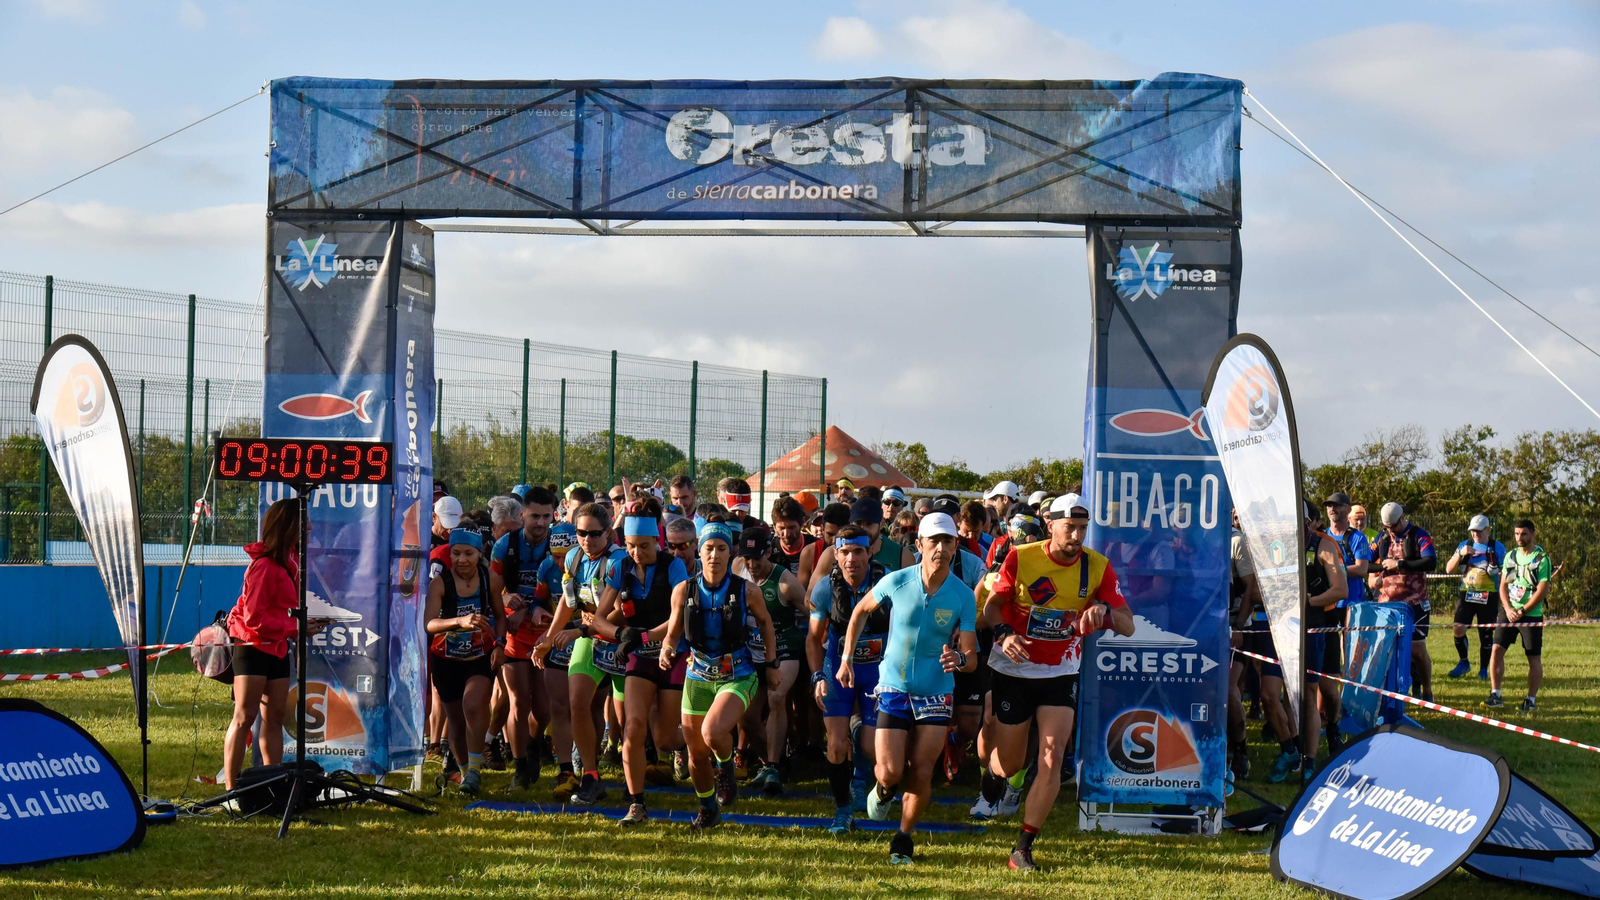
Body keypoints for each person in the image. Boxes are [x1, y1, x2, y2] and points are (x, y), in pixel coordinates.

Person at [979, 492, 1133, 872]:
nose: (1077, 536)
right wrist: (1004, 634)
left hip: (1061, 672)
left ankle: (1023, 847)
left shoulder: (1096, 567)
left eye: (1083, 528)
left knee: (1051, 755)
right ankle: (995, 773)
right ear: (1050, 524)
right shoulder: (1022, 556)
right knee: (1012, 761)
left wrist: (1105, 611)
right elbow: (991, 608)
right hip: (1013, 669)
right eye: (1070, 527)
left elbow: (1128, 625)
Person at [840, 512, 978, 865]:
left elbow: (971, 655)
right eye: (934, 541)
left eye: (948, 541)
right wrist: (846, 659)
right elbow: (859, 612)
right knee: (889, 771)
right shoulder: (897, 581)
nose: (941, 548)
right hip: (894, 687)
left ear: (955, 546)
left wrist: (959, 662)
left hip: (936, 691)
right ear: (919, 545)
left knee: (922, 767)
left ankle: (903, 837)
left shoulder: (963, 595)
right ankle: (884, 790)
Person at [658, 519, 779, 829]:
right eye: (709, 548)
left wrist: (772, 663)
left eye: (721, 549)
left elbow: (766, 624)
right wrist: (667, 649)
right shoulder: (683, 589)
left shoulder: (747, 590)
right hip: (698, 673)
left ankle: (725, 766)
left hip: (738, 672)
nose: (714, 555)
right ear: (700, 551)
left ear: (731, 553)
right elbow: (673, 632)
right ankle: (708, 809)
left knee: (712, 733)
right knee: (695, 752)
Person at [594, 508, 691, 825]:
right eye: (631, 545)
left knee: (664, 739)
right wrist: (621, 634)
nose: (637, 553)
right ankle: (637, 803)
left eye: (644, 546)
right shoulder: (619, 566)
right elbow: (598, 618)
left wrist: (644, 636)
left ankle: (695, 746)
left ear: (657, 540)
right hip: (639, 655)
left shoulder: (673, 566)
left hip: (672, 652)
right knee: (632, 728)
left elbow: (677, 617)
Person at [532, 503, 628, 805]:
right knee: (577, 702)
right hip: (589, 635)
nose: (587, 540)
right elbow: (568, 603)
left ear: (609, 532)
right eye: (581, 533)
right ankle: (590, 776)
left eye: (594, 534)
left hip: (621, 639)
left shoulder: (618, 560)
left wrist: (580, 631)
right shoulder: (573, 558)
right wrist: (548, 639)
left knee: (629, 718)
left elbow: (615, 613)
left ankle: (633, 774)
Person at [223, 497, 322, 790]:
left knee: (275, 717)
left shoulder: (290, 561)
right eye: (304, 525)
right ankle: (231, 789)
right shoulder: (264, 566)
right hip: (252, 648)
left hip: (277, 647)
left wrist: (297, 627)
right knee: (244, 717)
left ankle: (272, 784)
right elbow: (254, 618)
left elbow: (281, 612)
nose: (311, 528)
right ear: (289, 526)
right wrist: (296, 628)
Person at [808, 524, 891, 834]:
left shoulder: (888, 583)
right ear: (836, 555)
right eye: (845, 552)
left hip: (877, 670)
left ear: (870, 552)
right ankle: (843, 810)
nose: (852, 558)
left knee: (872, 747)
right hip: (837, 669)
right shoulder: (824, 588)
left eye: (859, 551)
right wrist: (818, 677)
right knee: (836, 746)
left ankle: (861, 771)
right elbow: (813, 639)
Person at [489, 486, 561, 789]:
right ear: (522, 514)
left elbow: (567, 591)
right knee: (518, 701)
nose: (540, 523)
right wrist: (508, 606)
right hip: (515, 633)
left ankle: (532, 745)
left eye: (546, 517)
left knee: (544, 708)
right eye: (534, 516)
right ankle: (519, 768)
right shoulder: (504, 546)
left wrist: (533, 606)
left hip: (547, 632)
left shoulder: (560, 546)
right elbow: (494, 593)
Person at [425, 528, 506, 795]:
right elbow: (429, 624)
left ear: (479, 553)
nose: (461, 559)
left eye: (468, 553)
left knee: (474, 704)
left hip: (479, 655)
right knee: (456, 721)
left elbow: (500, 614)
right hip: (445, 659)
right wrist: (458, 621)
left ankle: (474, 770)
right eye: (456, 553)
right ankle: (462, 772)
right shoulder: (440, 583)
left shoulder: (489, 579)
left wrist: (500, 643)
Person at [730, 525, 808, 796]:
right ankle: (770, 762)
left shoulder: (785, 581)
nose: (752, 565)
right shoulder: (737, 567)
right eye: (747, 558)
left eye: (758, 559)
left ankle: (773, 765)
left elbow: (812, 611)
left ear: (769, 554)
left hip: (785, 648)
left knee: (776, 698)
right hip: (751, 652)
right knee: (747, 717)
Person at [1295, 500, 1348, 774]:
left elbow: (1341, 589)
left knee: (1324, 690)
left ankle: (1333, 732)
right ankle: (1299, 753)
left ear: (1309, 522)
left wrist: (1309, 601)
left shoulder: (1324, 544)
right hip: (1290, 625)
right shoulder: (1279, 544)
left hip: (1322, 622)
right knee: (1294, 693)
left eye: (1299, 522)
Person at [1369, 502, 1438, 701]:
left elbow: (1430, 561)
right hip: (1387, 603)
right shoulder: (1382, 538)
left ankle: (1427, 692)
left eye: (1393, 526)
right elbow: (1366, 560)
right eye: (1386, 527)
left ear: (1402, 518)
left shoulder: (1419, 535)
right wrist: (1371, 575)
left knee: (1417, 650)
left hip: (1415, 604)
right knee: (1386, 650)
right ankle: (1390, 695)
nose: (1390, 530)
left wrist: (1400, 564)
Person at [1488, 519, 1551, 712]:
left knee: (1533, 657)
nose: (1519, 538)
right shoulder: (1510, 556)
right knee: (1497, 649)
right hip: (1509, 612)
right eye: (1516, 534)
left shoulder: (1541, 559)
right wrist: (1507, 608)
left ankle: (1530, 700)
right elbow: (1503, 585)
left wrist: (1523, 611)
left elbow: (1542, 590)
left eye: (1523, 534)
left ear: (1532, 534)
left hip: (1530, 615)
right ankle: (1495, 694)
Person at [806, 498, 914, 595]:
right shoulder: (832, 554)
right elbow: (810, 599)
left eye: (869, 524)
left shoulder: (903, 556)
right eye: (858, 523)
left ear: (881, 523)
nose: (863, 529)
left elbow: (911, 599)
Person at [1446, 514, 1506, 681]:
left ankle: (1484, 669)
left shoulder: (1498, 547)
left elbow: (1506, 572)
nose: (1475, 534)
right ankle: (1464, 662)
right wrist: (1460, 554)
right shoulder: (1465, 545)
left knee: (1486, 633)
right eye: (1473, 531)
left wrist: (1495, 569)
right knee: (1458, 628)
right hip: (1467, 593)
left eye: (1479, 531)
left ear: (1488, 530)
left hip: (1489, 594)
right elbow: (1448, 569)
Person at [1227, 509, 1262, 779]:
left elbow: (1251, 587)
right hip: (1200, 627)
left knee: (1229, 690)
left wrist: (1239, 624)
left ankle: (1240, 752)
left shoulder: (1236, 541)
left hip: (1235, 626)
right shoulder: (1193, 538)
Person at [798, 502, 851, 587]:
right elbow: (801, 594)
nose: (834, 541)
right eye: (830, 534)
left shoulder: (859, 553)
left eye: (840, 536)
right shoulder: (809, 553)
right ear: (822, 528)